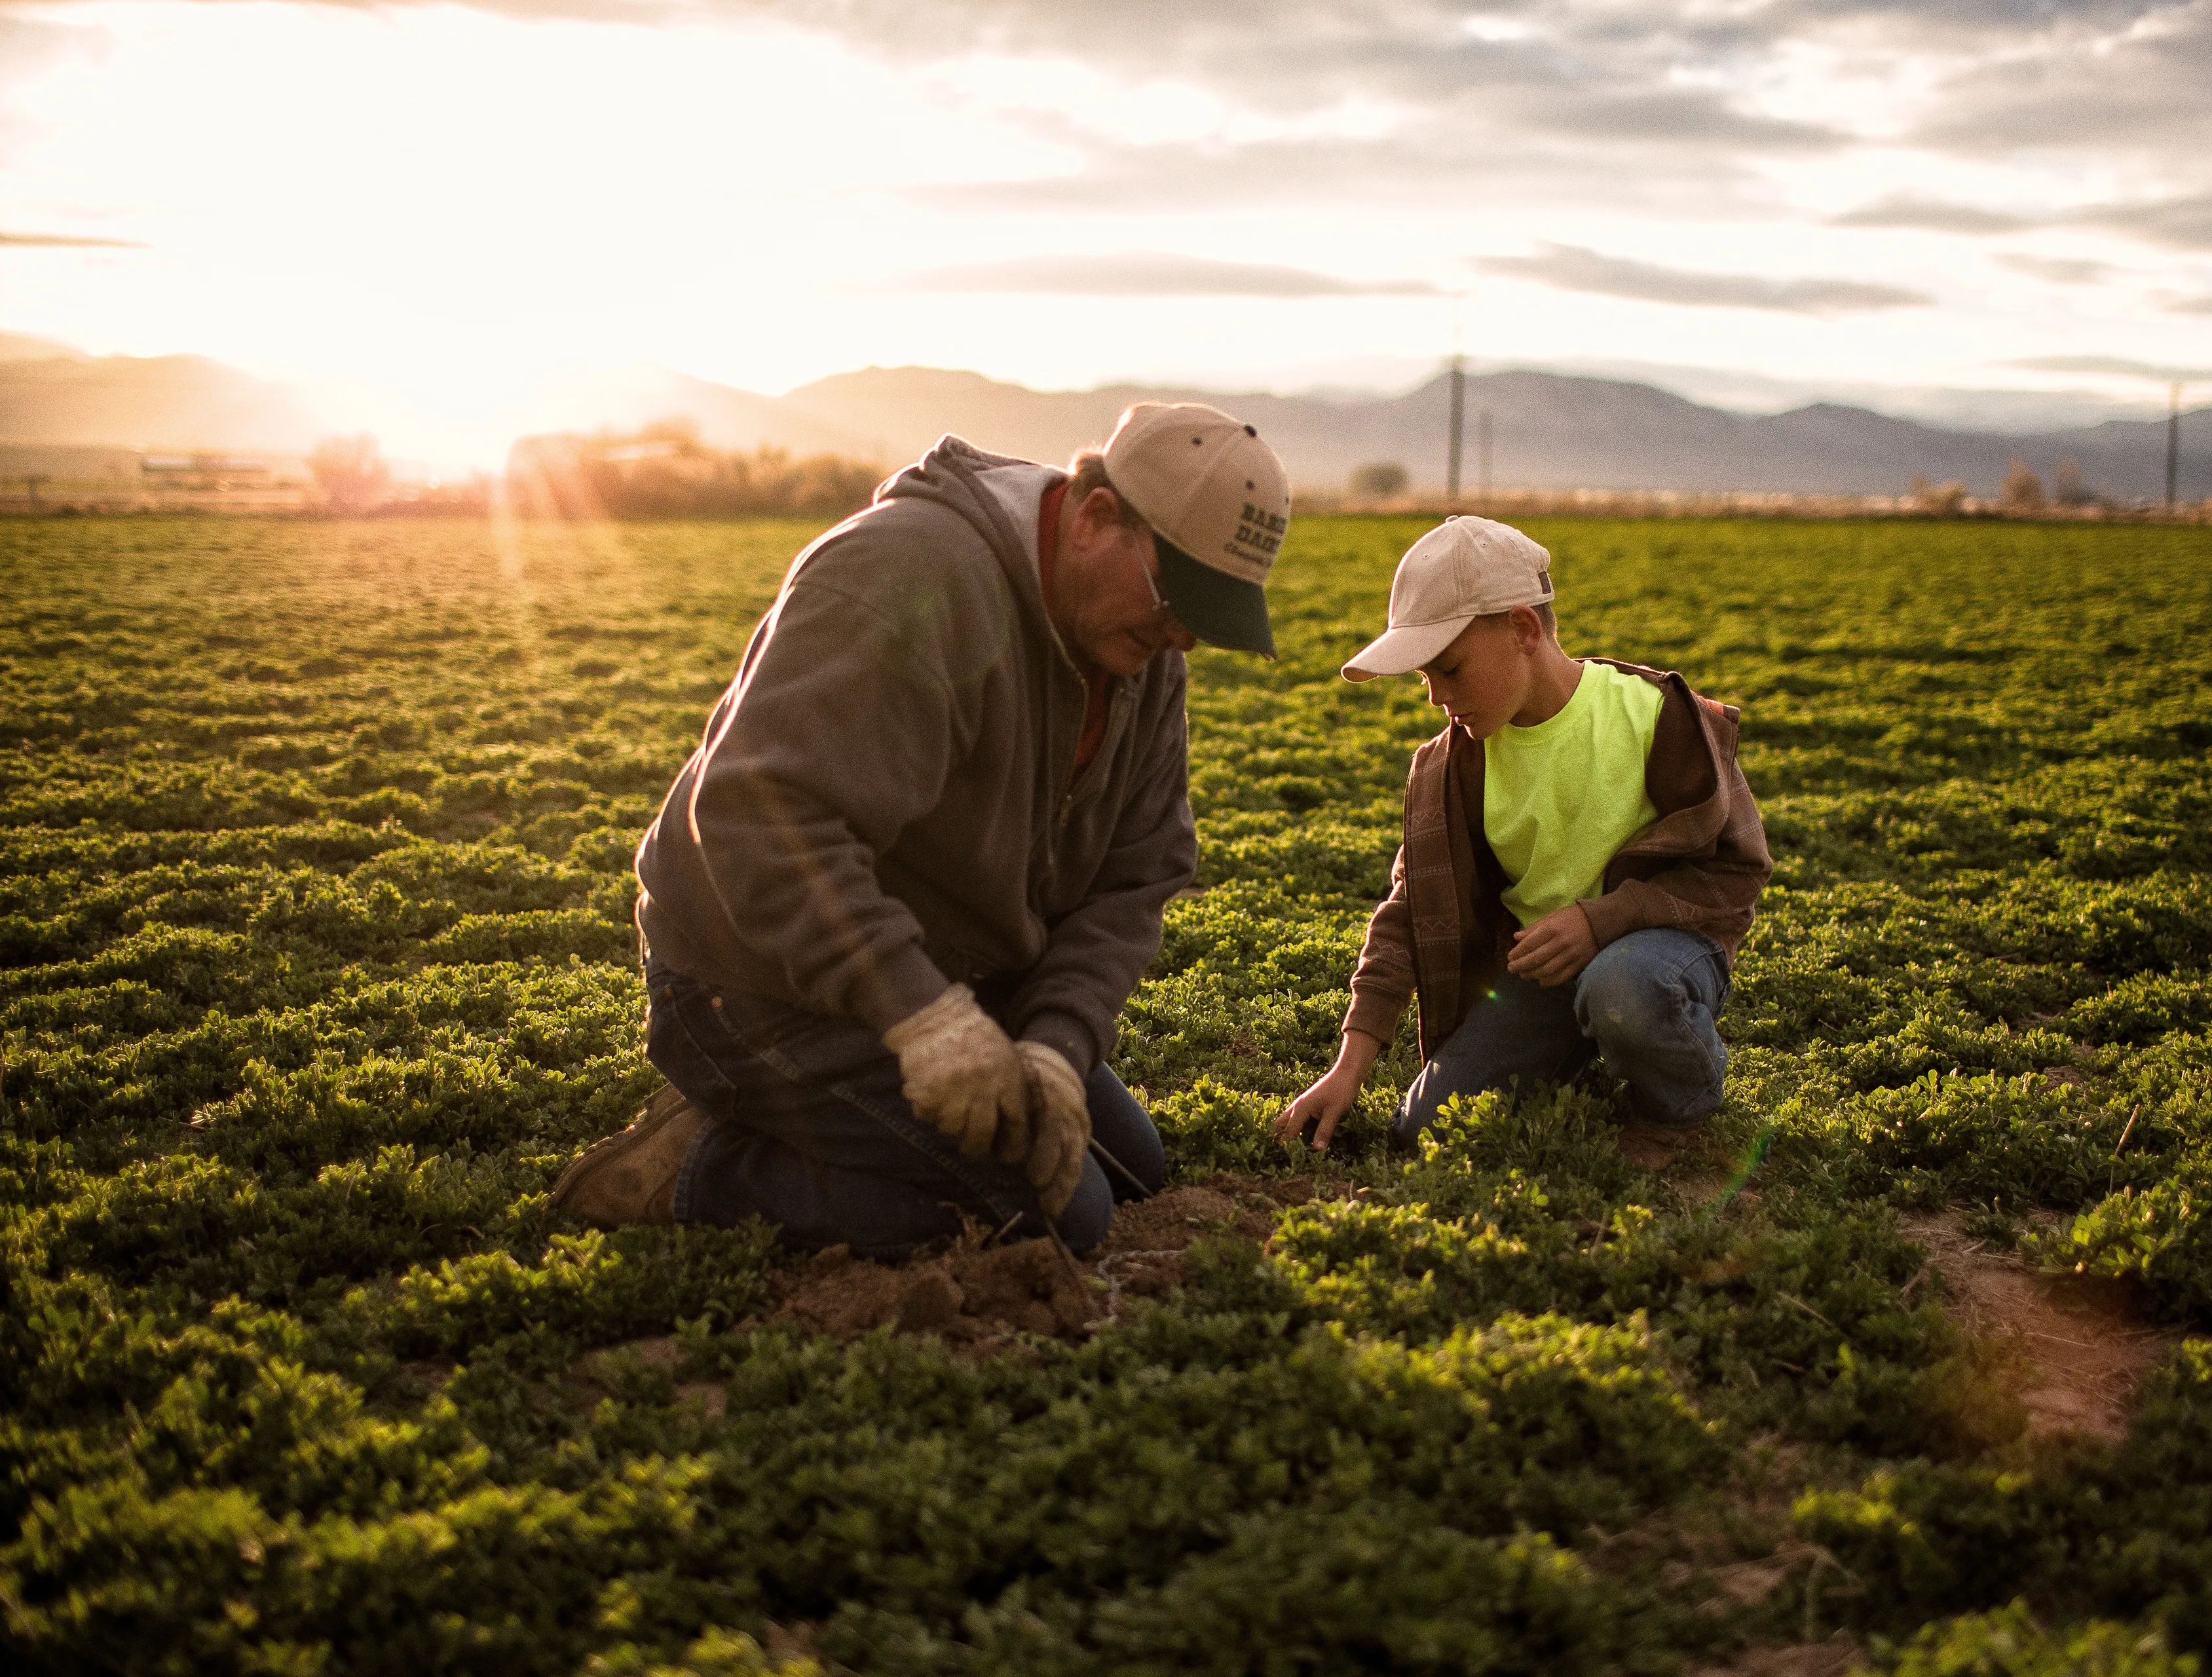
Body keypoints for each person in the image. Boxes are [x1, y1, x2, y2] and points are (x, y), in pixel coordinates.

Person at [552, 402, 1293, 1255]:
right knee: (1055, 1216)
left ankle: (827, 1121)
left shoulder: (1140, 654)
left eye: (1208, 617)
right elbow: (757, 819)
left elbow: (1137, 875)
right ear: (1097, 517)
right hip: (752, 982)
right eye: (1177, 599)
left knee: (1132, 1170)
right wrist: (922, 1017)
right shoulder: (906, 572)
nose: (1183, 637)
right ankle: (701, 1168)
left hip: (955, 970)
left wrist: (1056, 1043)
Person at [1276, 516, 1769, 1156]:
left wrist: (1601, 920)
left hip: (1658, 953)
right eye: (1425, 677)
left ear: (1524, 629)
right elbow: (1406, 911)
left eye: (1449, 670)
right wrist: (1349, 1068)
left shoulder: (1659, 717)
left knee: (1624, 989)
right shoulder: (1451, 764)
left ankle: (1678, 1107)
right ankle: (1589, 1043)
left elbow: (1739, 873)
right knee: (1427, 1131)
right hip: (1541, 974)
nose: (1434, 698)